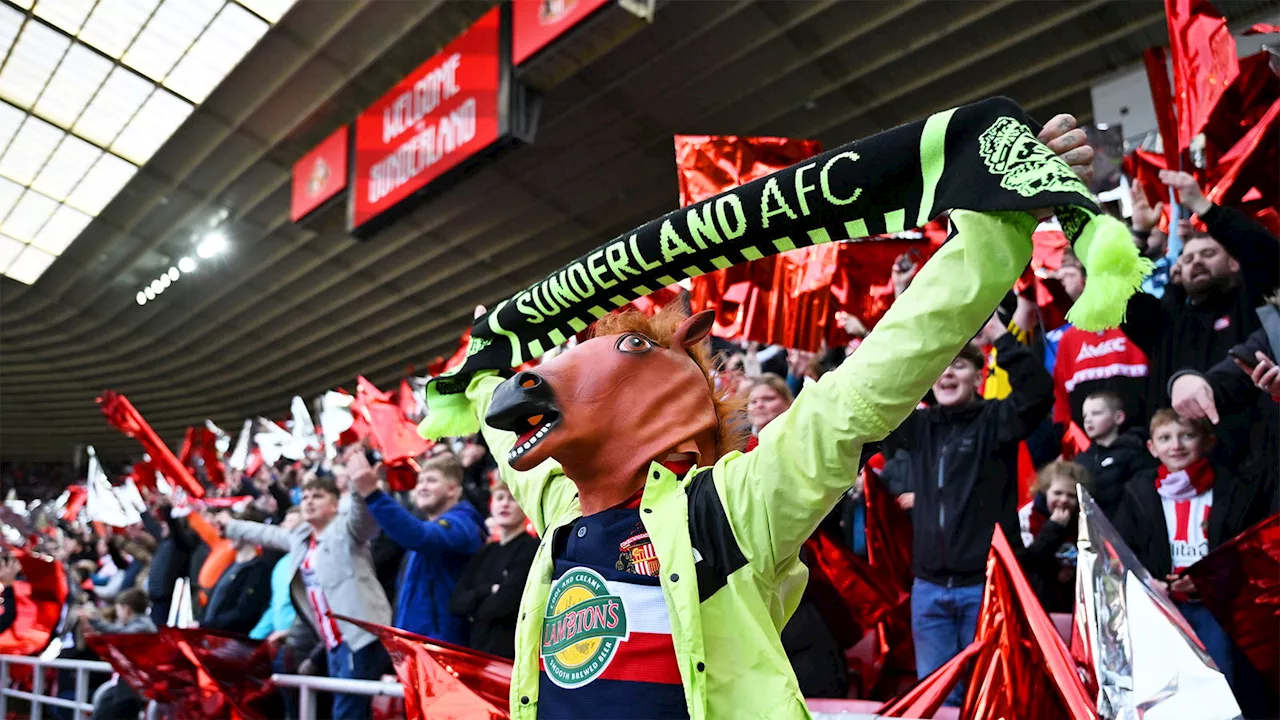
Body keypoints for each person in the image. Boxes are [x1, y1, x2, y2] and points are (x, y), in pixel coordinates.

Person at [885, 314, 1053, 704]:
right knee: (939, 702)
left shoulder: (997, 420)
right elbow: (880, 389)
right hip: (928, 592)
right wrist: (904, 310)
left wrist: (999, 336)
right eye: (941, 366)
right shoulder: (919, 427)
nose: (947, 374)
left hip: (984, 588)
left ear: (979, 376)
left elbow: (1039, 390)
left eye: (959, 364)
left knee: (990, 697)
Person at [1114, 410, 1271, 700]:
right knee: (1167, 691)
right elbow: (1122, 551)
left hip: (1217, 610)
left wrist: (1209, 581)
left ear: (1207, 442)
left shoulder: (1232, 490)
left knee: (1221, 686)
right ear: (1152, 448)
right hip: (1160, 609)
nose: (1176, 445)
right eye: (1165, 438)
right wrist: (1150, 584)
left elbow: (1247, 551)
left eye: (1187, 435)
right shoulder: (1137, 492)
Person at [217, 461, 392, 720]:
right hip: (332, 642)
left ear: (335, 504)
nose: (309, 502)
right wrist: (232, 526)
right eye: (306, 497)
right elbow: (268, 533)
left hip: (361, 637)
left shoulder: (346, 531)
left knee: (348, 711)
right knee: (346, 709)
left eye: (318, 496)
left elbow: (363, 517)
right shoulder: (300, 538)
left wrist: (359, 487)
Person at [354, 452, 484, 644]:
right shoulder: (426, 528)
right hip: (414, 645)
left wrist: (374, 495)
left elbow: (420, 537)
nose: (422, 487)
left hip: (443, 648)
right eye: (420, 481)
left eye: (431, 481)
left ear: (453, 490)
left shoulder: (463, 525)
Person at [449, 480, 538, 658]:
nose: (505, 503)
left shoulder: (531, 548)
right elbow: (456, 604)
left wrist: (474, 609)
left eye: (512, 499)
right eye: (499, 498)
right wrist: (488, 590)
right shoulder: (485, 552)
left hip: (510, 652)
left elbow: (503, 605)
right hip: (478, 650)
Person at [1017, 461, 1092, 613]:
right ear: (1045, 491)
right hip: (1038, 600)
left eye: (1071, 495)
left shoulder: (1084, 519)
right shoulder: (1028, 516)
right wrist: (1054, 528)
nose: (1064, 500)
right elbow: (1029, 560)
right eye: (1057, 493)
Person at [1072, 391, 1153, 518]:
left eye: (1096, 413)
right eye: (1085, 416)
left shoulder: (1133, 453)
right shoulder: (1080, 460)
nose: (1088, 420)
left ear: (1118, 417)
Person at [84, 588, 155, 720]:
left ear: (126, 609)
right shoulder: (142, 625)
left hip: (134, 691)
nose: (117, 615)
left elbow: (119, 634)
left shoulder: (142, 626)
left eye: (118, 610)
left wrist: (95, 619)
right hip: (129, 687)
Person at [201, 507, 275, 634]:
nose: (229, 534)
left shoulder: (259, 570)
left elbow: (244, 612)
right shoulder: (231, 566)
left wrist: (206, 626)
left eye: (234, 529)